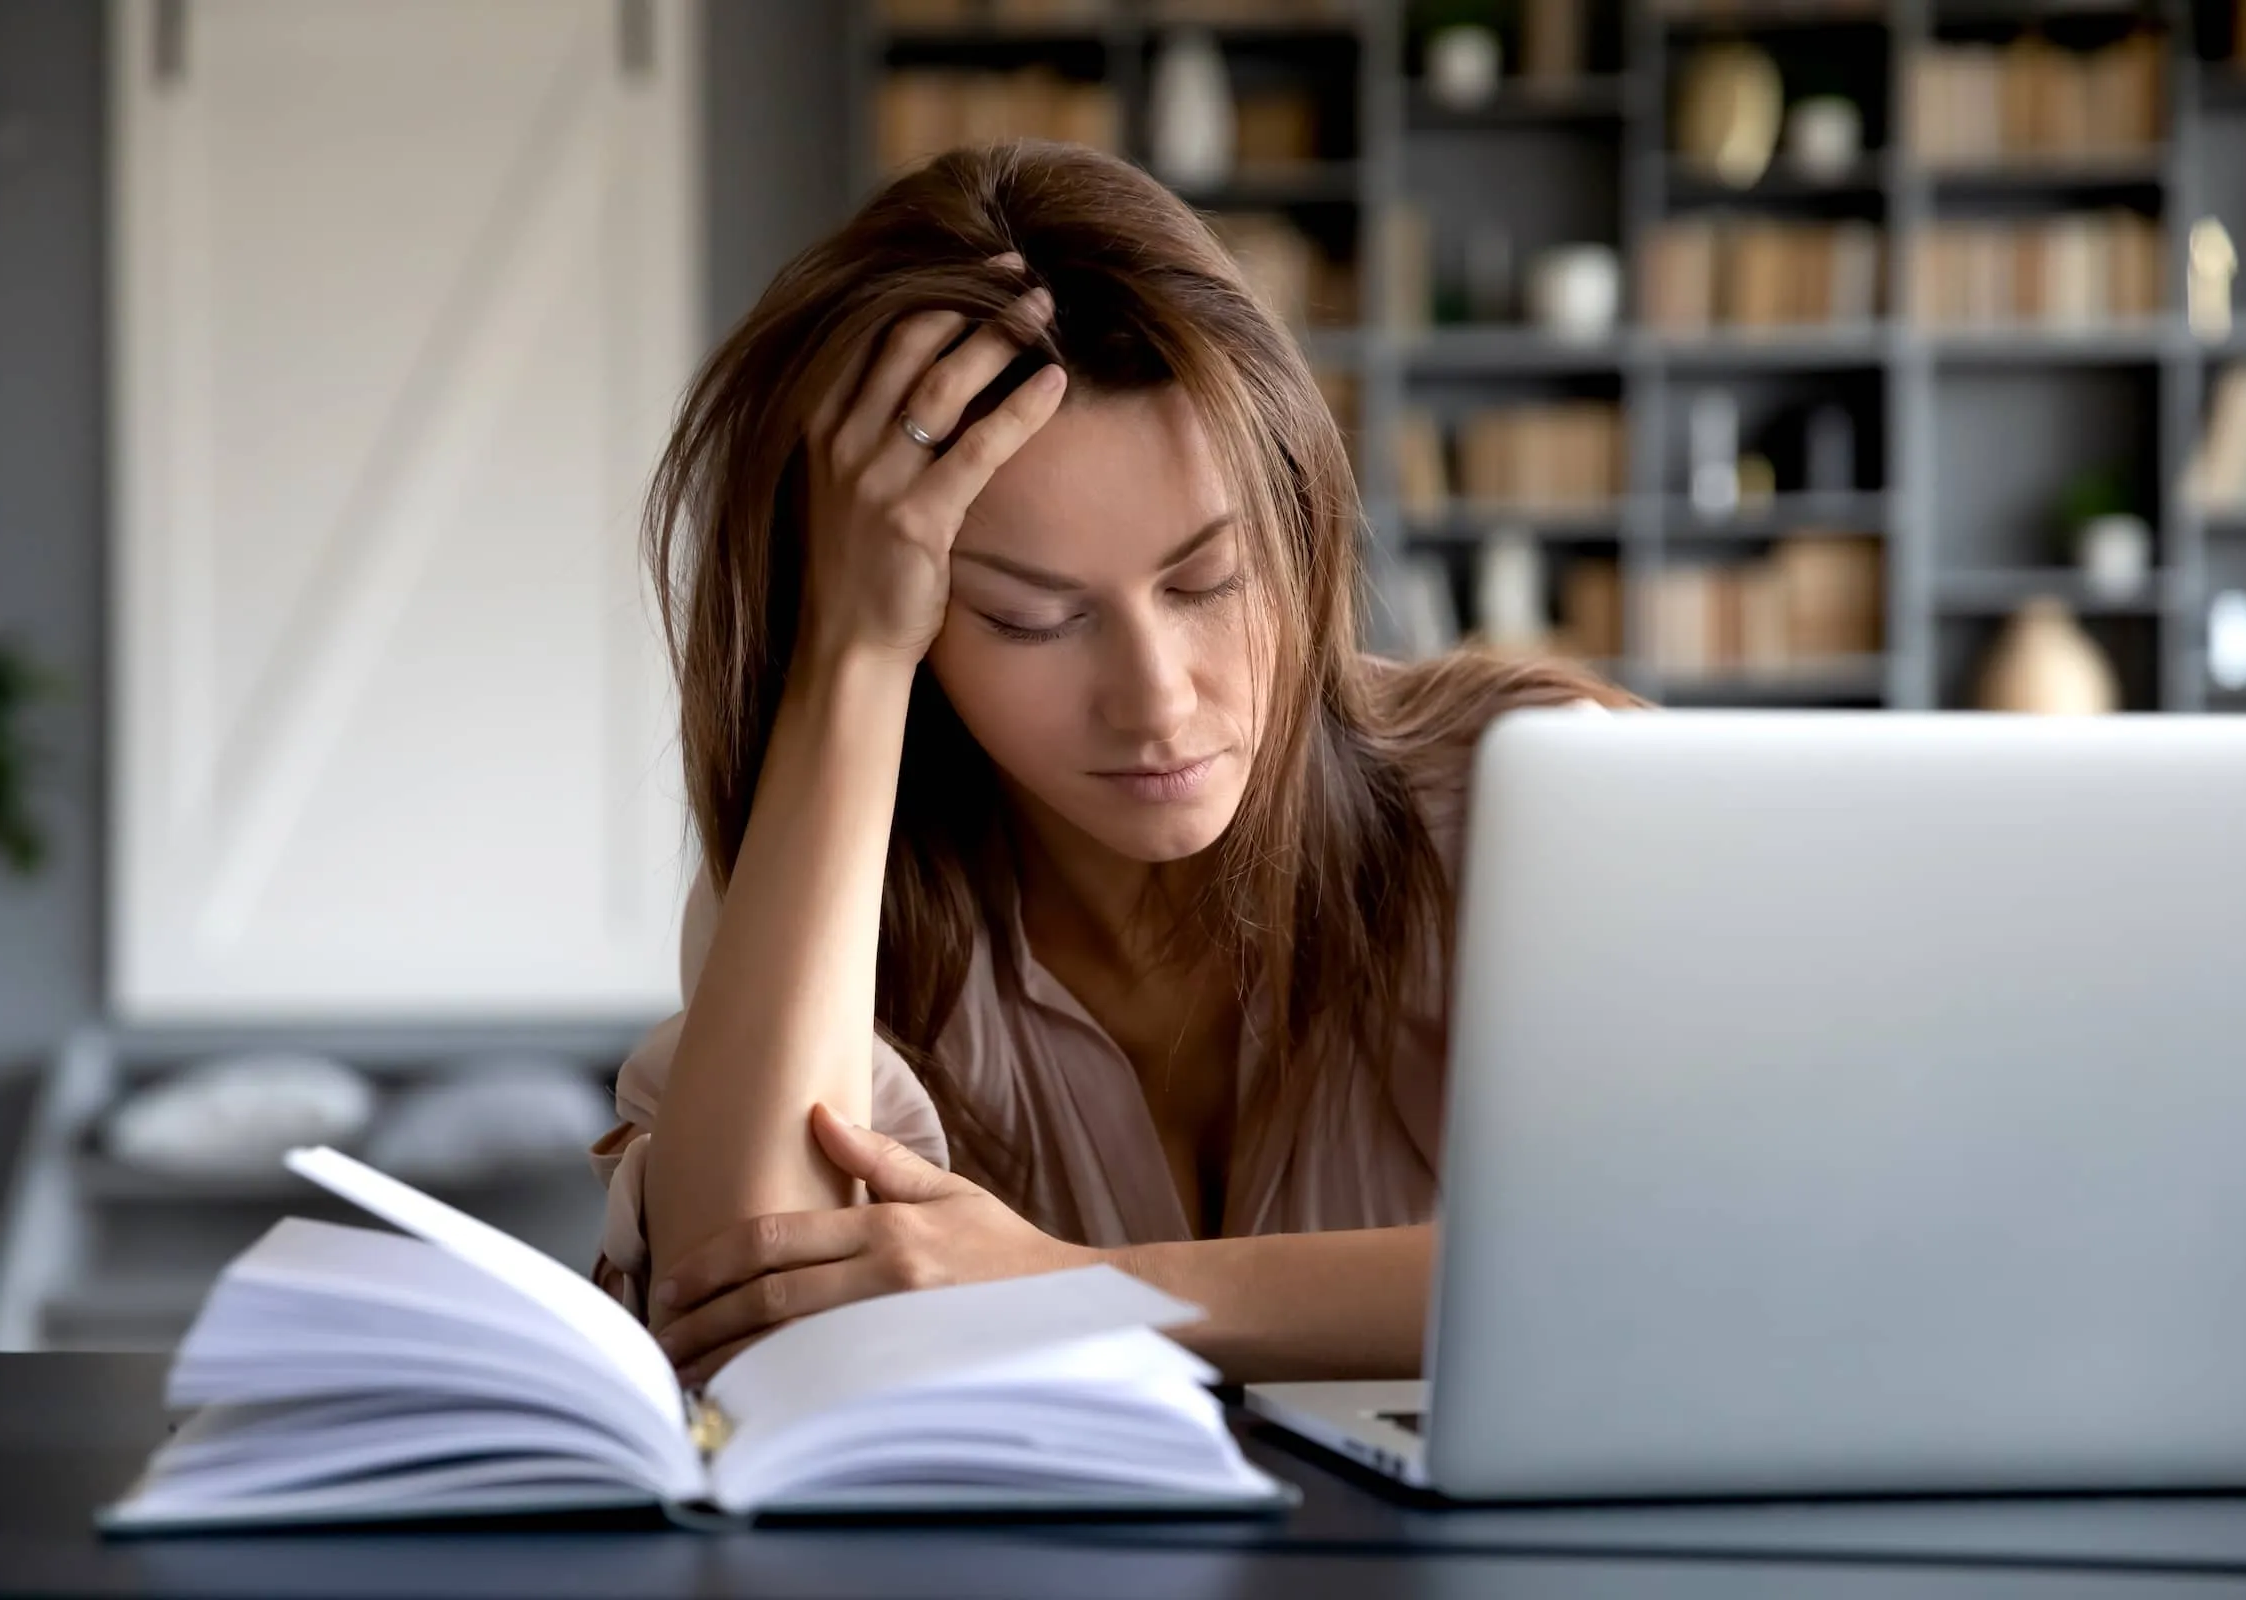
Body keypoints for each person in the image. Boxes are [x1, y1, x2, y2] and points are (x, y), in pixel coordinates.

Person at [589, 140, 1632, 1389]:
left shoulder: (1542, 811)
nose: (1156, 700)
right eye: (1032, 617)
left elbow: (1688, 1268)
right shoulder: (842, 902)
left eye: (1211, 580)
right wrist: (848, 659)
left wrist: (1064, 1291)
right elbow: (744, 1307)